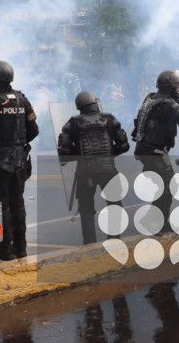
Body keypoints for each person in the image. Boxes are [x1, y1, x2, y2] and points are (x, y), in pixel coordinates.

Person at [0, 59, 39, 262]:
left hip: (0, 162)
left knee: (2, 205)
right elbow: (34, 130)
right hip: (20, 160)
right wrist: (18, 144)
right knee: (18, 203)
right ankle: (21, 248)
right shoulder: (22, 99)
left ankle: (5, 249)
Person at [132, 70, 179, 233]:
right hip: (154, 151)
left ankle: (160, 222)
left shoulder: (150, 98)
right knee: (168, 186)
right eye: (177, 87)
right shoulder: (170, 106)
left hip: (144, 149)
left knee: (162, 187)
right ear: (169, 88)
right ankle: (152, 221)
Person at [57, 91, 130, 244]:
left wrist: (82, 154)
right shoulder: (110, 119)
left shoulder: (72, 123)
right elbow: (124, 146)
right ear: (94, 103)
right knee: (115, 204)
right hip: (108, 169)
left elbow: (64, 152)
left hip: (85, 170)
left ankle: (89, 244)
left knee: (86, 208)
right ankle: (115, 240)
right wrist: (108, 154)